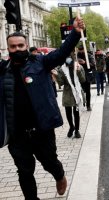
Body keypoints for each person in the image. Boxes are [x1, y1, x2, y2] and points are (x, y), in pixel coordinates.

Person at [0, 17, 85, 200]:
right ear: (8, 49)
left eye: (20, 46)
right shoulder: (3, 70)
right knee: (24, 171)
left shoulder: (40, 62)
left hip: (41, 129)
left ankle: (59, 175)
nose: (17, 50)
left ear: (26, 45)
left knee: (49, 163)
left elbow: (61, 53)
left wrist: (75, 33)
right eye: (13, 47)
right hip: (17, 134)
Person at [54, 56, 85, 139]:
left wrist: (78, 71)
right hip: (67, 91)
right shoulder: (61, 69)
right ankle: (71, 126)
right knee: (68, 111)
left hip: (77, 91)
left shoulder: (79, 67)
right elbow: (61, 83)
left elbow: (83, 80)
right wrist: (56, 75)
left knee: (76, 111)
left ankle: (77, 130)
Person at [77, 45, 95, 111]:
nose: (81, 51)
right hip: (78, 76)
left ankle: (88, 105)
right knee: (79, 91)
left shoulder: (89, 56)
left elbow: (93, 65)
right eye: (80, 50)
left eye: (82, 50)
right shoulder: (76, 56)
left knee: (87, 91)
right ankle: (81, 103)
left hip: (87, 76)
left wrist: (85, 63)